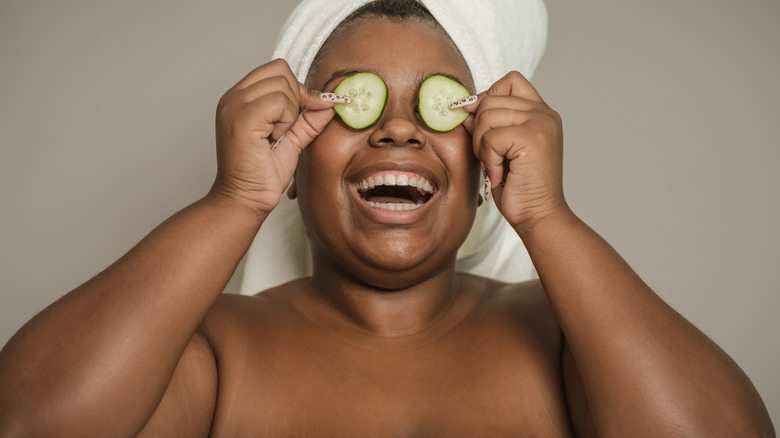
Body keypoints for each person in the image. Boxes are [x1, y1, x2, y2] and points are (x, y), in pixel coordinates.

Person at [0, 0, 774, 436]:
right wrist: (231, 201)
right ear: (292, 157)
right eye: (353, 98)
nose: (398, 127)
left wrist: (548, 217)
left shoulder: (569, 338)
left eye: (438, 103)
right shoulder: (214, 349)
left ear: (486, 164)